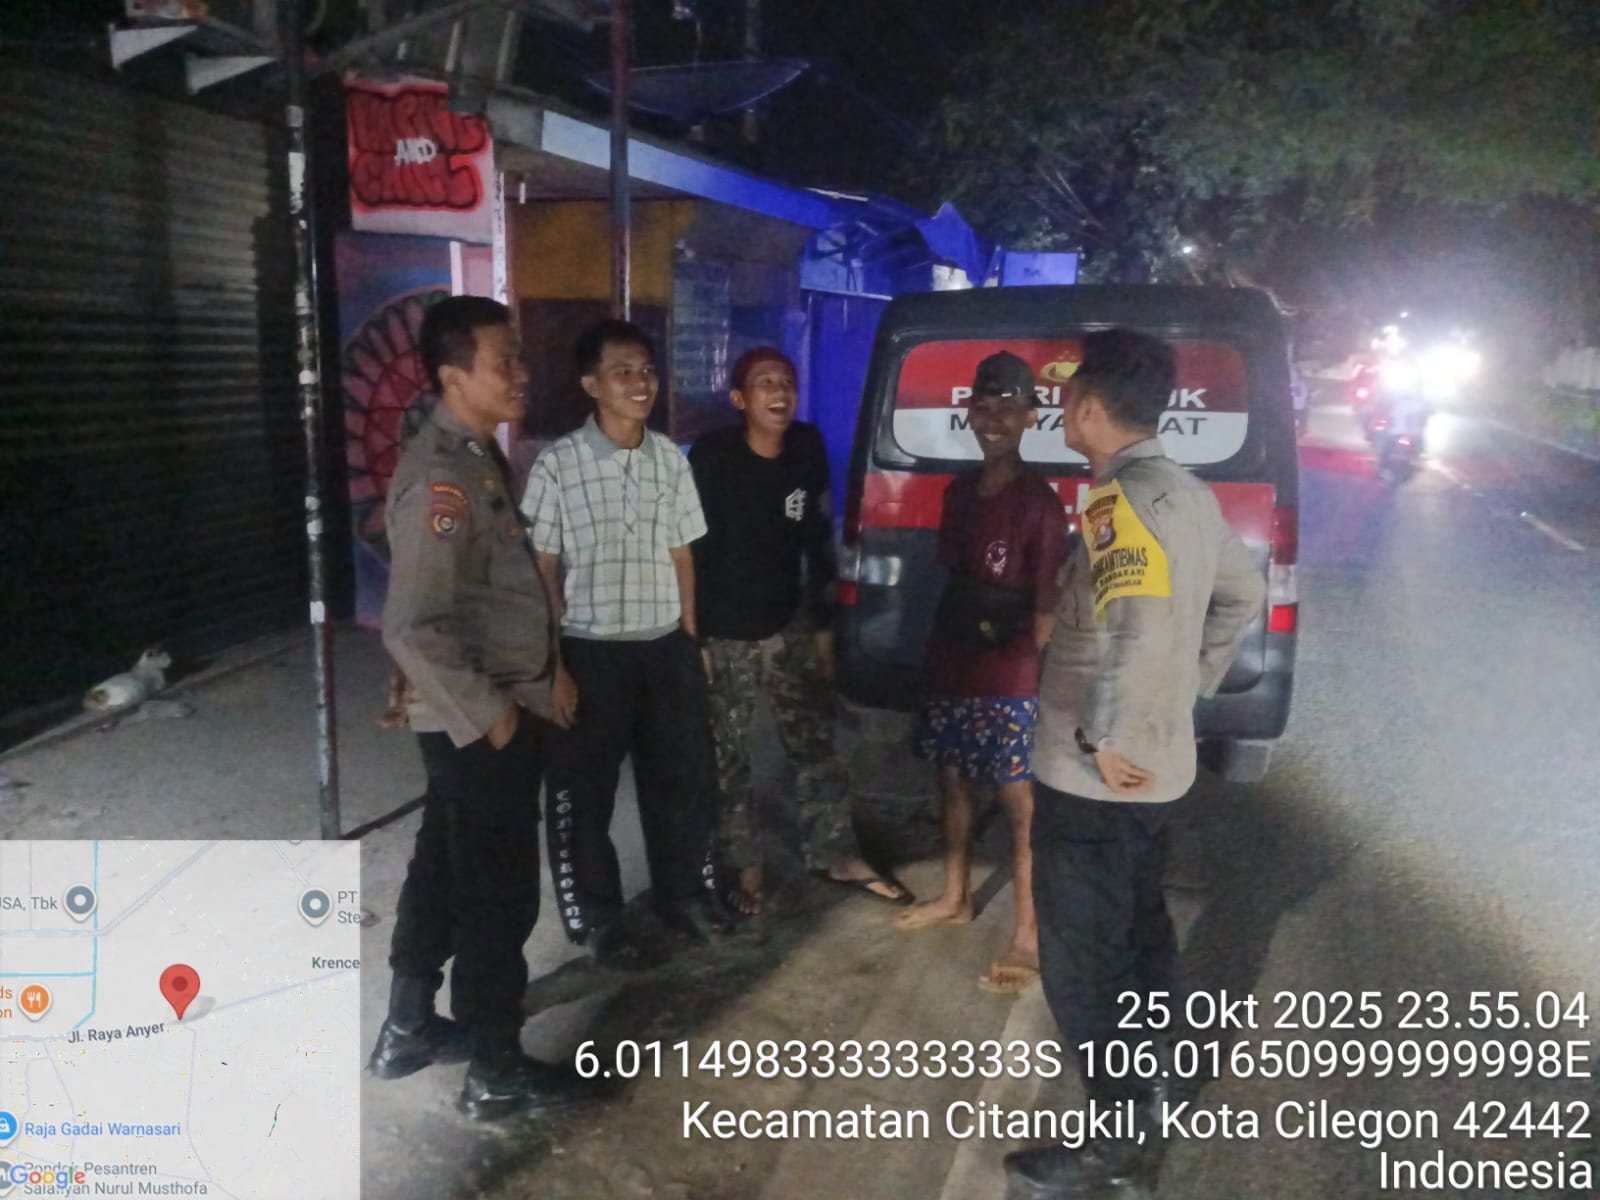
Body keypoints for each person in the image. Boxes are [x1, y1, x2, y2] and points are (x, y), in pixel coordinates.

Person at [1003, 330, 1265, 1195]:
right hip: (1155, 774)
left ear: (1087, 407)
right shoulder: (1188, 493)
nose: (1059, 408)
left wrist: (1110, 735)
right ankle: (1152, 1090)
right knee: (1141, 934)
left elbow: (1141, 624)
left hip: (1097, 779)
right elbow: (1244, 595)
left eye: (1066, 396)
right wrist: (1185, 691)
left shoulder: (1119, 502)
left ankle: (1117, 1140)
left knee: (1086, 963)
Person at [371, 295, 593, 1121]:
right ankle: (495, 1065)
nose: (521, 373)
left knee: (442, 865)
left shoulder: (475, 454)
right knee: (497, 893)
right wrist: (496, 716)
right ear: (453, 375)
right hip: (480, 721)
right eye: (506, 360)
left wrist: (544, 671)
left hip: (486, 707)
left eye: (520, 358)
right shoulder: (443, 477)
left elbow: (481, 594)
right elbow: (412, 623)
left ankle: (407, 1025)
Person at [520, 319, 731, 959]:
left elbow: (683, 554)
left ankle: (684, 896)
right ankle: (599, 919)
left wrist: (691, 641)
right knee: (584, 792)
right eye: (623, 373)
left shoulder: (669, 457)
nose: (641, 384)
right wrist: (554, 664)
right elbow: (542, 567)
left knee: (683, 781)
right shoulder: (557, 465)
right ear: (591, 385)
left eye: (646, 371)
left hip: (665, 646)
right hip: (590, 650)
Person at [690, 347, 914, 916]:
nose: (779, 391)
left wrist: (822, 628)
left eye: (786, 381)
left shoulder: (806, 448)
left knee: (817, 746)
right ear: (740, 399)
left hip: (788, 622)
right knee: (729, 760)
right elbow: (690, 551)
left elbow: (816, 543)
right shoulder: (715, 457)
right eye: (764, 382)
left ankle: (835, 853)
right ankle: (744, 865)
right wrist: (694, 639)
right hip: (726, 631)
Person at [896, 351, 1069, 996]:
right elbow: (955, 576)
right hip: (955, 652)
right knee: (951, 776)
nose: (994, 419)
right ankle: (955, 896)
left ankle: (1027, 934)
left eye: (1008, 408)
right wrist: (944, 655)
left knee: (1019, 800)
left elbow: (1046, 603)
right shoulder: (959, 492)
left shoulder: (1040, 504)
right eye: (984, 406)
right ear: (969, 412)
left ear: (1031, 417)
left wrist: (1033, 678)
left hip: (1012, 665)